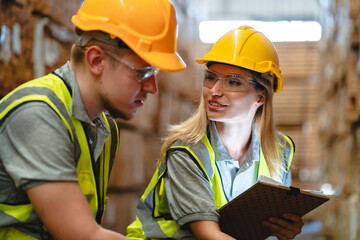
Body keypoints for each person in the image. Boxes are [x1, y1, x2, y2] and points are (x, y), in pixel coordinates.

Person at [0, 0, 185, 239]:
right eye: (143, 73)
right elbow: (83, 235)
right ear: (97, 60)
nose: (152, 88)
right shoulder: (38, 115)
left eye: (155, 73)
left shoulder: (103, 127)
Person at [127, 26, 304, 240]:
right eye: (210, 78)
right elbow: (209, 234)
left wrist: (284, 229)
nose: (214, 91)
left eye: (233, 82)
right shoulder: (187, 151)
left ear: (260, 97)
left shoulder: (280, 150)